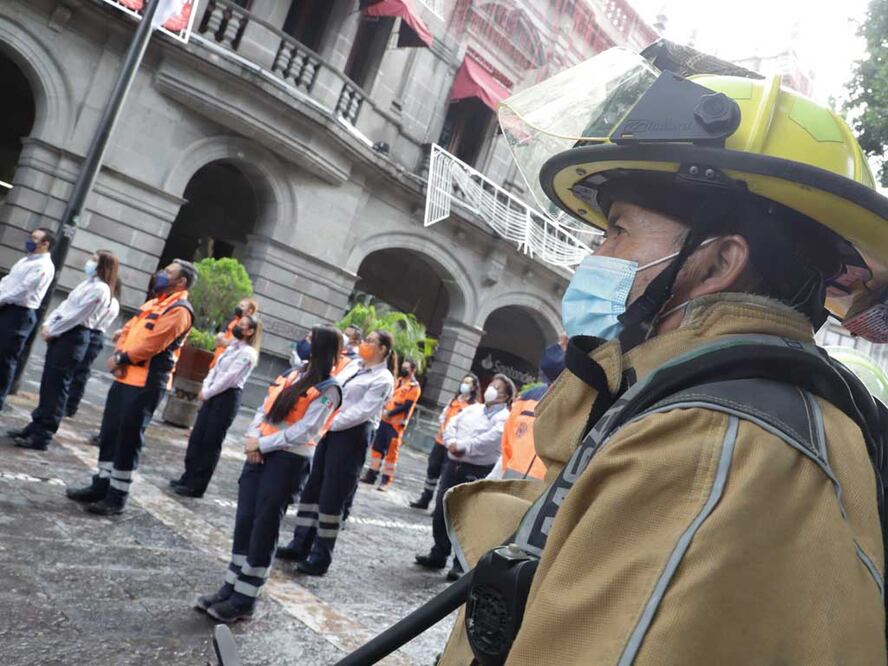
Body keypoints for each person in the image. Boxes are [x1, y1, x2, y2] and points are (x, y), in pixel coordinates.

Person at [434, 45, 888, 663]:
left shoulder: (704, 441)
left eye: (618, 229)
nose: (597, 256)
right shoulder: (686, 407)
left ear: (718, 262)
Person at [195, 326, 344, 623]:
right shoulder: (293, 373)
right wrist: (253, 440)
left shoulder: (330, 388)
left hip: (287, 460)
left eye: (311, 340)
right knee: (246, 520)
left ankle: (246, 598)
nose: (305, 343)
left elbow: (305, 431)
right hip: (259, 453)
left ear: (322, 348)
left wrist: (262, 444)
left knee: (264, 525)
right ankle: (230, 586)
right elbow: (263, 410)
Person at [65, 260, 196, 516]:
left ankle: (117, 496)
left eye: (168, 272)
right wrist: (119, 356)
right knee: (110, 433)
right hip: (126, 377)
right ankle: (100, 485)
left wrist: (122, 359)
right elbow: (126, 331)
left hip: (147, 382)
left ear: (181, 282)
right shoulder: (154, 302)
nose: (162, 274)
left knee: (128, 438)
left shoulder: (180, 310)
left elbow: (153, 344)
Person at [275, 329, 395, 575]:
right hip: (329, 431)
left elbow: (362, 412)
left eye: (370, 341)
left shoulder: (383, 379)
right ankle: (299, 543)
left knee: (332, 495)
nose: (365, 344)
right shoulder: (353, 367)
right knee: (313, 487)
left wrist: (327, 422)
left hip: (351, 436)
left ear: (382, 349)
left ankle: (320, 556)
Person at [7, 250, 118, 450]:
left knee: (57, 389)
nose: (89, 262)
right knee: (49, 385)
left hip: (73, 336)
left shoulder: (100, 289)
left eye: (94, 260)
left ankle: (43, 434)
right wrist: (49, 324)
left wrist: (54, 330)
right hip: (63, 333)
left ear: (103, 265)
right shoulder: (88, 284)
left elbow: (76, 316)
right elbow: (64, 307)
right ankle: (35, 425)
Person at [415, 373, 515, 580]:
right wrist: (451, 442)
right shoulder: (473, 409)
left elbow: (491, 439)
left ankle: (460, 563)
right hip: (454, 465)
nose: (492, 390)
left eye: (498, 388)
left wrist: (464, 447)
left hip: (477, 469)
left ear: (506, 396)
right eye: (492, 385)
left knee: (466, 516)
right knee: (442, 510)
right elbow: (453, 423)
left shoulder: (505, 417)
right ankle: (438, 553)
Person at [170, 314, 263, 498]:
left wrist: (208, 392)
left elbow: (229, 378)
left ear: (251, 331)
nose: (238, 327)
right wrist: (206, 388)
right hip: (212, 394)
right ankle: (187, 477)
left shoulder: (248, 353)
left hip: (226, 398)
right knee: (197, 437)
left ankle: (197, 485)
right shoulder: (233, 346)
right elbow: (215, 369)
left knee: (210, 443)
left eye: (243, 326)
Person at [489, 339, 566, 481]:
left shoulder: (584, 407)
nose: (557, 348)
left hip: (542, 496)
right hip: (508, 486)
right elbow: (507, 444)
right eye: (560, 341)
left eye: (566, 343)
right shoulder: (527, 397)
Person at [0, 228, 55, 411]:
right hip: (7, 308)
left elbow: (23, 290)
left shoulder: (44, 266)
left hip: (20, 314)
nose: (30, 241)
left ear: (45, 244)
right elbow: (8, 281)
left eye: (35, 238)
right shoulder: (26, 259)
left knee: (6, 358)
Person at [409, 372, 481, 509]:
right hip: (440, 441)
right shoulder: (454, 400)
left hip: (453, 445)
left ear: (474, 387)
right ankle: (425, 498)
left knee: (445, 476)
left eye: (468, 383)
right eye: (464, 382)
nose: (464, 385)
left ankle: (438, 507)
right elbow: (443, 416)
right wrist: (442, 429)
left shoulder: (473, 408)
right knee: (432, 470)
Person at [360, 358, 421, 490]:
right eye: (403, 367)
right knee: (377, 449)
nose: (403, 369)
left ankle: (386, 481)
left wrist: (390, 413)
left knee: (391, 454)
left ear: (413, 370)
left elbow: (406, 406)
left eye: (406, 368)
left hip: (396, 426)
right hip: (384, 420)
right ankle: (371, 475)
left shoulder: (414, 387)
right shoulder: (398, 381)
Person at [64, 278, 121, 418]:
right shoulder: (111, 301)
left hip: (94, 333)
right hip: (96, 333)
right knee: (80, 371)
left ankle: (71, 405)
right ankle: (70, 404)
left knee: (80, 372)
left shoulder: (109, 301)